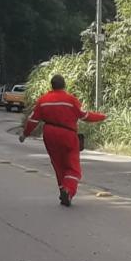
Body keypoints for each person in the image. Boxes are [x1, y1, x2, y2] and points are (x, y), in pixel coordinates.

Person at [19, 74, 106, 206]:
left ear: (52, 86)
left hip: (49, 134)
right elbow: (85, 116)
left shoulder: (43, 100)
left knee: (58, 165)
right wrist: (102, 117)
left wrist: (25, 134)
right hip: (68, 135)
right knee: (73, 167)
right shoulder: (70, 100)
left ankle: (63, 191)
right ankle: (68, 190)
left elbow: (33, 120)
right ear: (64, 85)